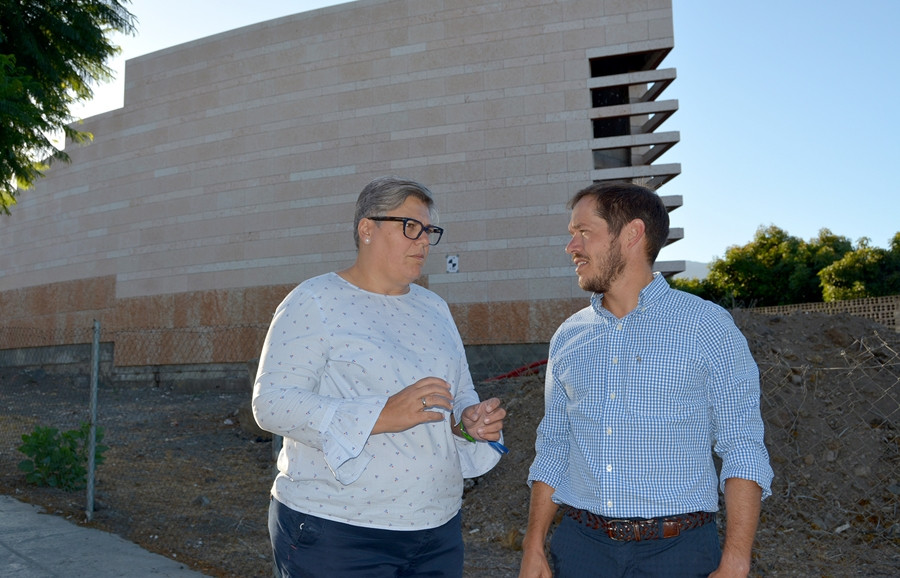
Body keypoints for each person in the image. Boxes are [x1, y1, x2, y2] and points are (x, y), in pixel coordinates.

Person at [253, 175, 507, 578]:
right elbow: (272, 403)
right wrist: (382, 414)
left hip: (436, 529)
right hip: (339, 532)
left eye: (429, 231)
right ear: (366, 229)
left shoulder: (435, 308)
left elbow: (458, 393)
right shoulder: (315, 300)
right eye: (410, 227)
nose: (423, 241)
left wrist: (468, 422)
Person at [519, 182, 773, 578]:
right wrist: (533, 544)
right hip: (580, 549)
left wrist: (736, 560)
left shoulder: (708, 327)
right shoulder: (568, 336)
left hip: (679, 554)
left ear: (632, 234)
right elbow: (553, 445)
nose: (572, 247)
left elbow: (742, 446)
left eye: (584, 232)